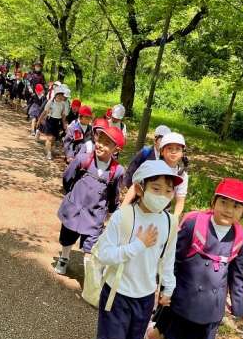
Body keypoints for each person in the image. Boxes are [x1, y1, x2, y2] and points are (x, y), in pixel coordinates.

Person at [143, 178, 243, 339]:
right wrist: (165, 287)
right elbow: (173, 256)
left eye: (236, 206)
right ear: (214, 202)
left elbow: (238, 274)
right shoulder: (194, 224)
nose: (228, 210)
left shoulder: (241, 240)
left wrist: (239, 305)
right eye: (224, 202)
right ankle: (151, 336)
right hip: (183, 291)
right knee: (166, 323)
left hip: (212, 303)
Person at [92, 160, 182, 339]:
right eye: (156, 188)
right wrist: (137, 246)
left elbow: (167, 258)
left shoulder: (169, 221)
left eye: (168, 191)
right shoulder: (124, 217)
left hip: (144, 296)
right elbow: (104, 253)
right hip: (117, 293)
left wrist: (168, 287)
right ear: (140, 188)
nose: (163, 195)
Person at [54, 126, 126, 277]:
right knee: (67, 236)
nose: (100, 145)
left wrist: (113, 209)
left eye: (107, 143)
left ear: (116, 149)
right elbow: (67, 177)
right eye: (100, 140)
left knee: (91, 246)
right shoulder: (83, 159)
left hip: (95, 215)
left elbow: (114, 193)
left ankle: (90, 277)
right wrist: (72, 195)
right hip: (75, 208)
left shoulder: (117, 171)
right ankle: (64, 257)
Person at [123, 125, 171, 190]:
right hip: (138, 188)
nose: (163, 145)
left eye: (166, 143)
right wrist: (126, 186)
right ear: (155, 140)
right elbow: (132, 169)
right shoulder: (146, 152)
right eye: (162, 141)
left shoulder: (167, 158)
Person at [158, 132, 189, 218]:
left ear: (182, 153)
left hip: (163, 211)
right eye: (169, 148)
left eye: (178, 149)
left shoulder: (182, 175)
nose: (173, 151)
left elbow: (180, 200)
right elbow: (135, 187)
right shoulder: (153, 166)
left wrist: (174, 218)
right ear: (162, 151)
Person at [37, 83, 70, 160]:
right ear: (56, 95)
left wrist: (64, 124)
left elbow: (63, 115)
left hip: (57, 122)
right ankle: (48, 153)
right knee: (49, 138)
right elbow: (44, 112)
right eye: (60, 95)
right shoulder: (50, 102)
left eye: (62, 95)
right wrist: (39, 120)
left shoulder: (63, 104)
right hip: (50, 121)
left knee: (54, 138)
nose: (61, 97)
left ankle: (48, 149)